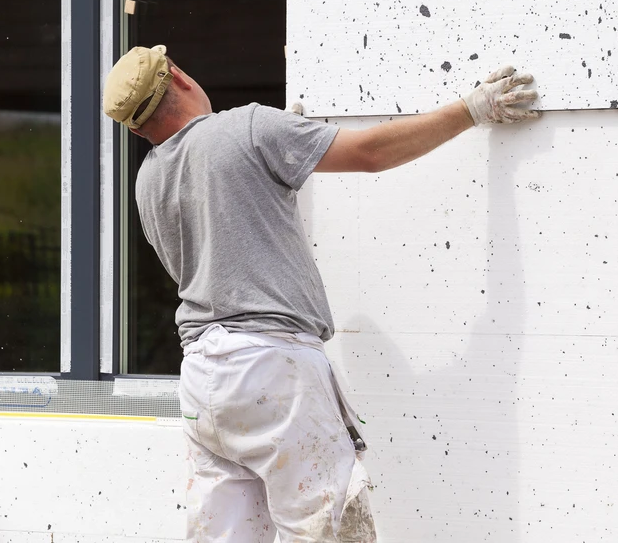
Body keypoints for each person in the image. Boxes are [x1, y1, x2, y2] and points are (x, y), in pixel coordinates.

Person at [103, 45, 538, 543]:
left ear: (137, 130)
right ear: (178, 76)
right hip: (272, 369)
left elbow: (221, 250)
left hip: (203, 382)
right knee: (324, 530)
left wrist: (266, 169)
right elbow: (370, 153)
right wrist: (471, 109)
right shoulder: (249, 127)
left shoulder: (147, 181)